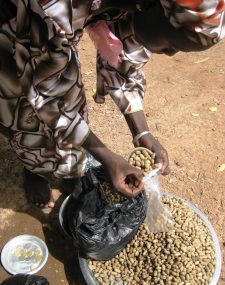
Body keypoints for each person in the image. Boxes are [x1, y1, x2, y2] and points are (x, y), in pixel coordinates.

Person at [0, 0, 223, 211]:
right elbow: (47, 96)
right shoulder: (54, 9)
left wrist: (141, 131)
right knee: (23, 112)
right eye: (171, 45)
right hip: (14, 30)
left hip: (50, 37)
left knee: (71, 100)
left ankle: (68, 169)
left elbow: (124, 61)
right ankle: (33, 168)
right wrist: (106, 157)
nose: (171, 53)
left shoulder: (143, 8)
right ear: (153, 6)